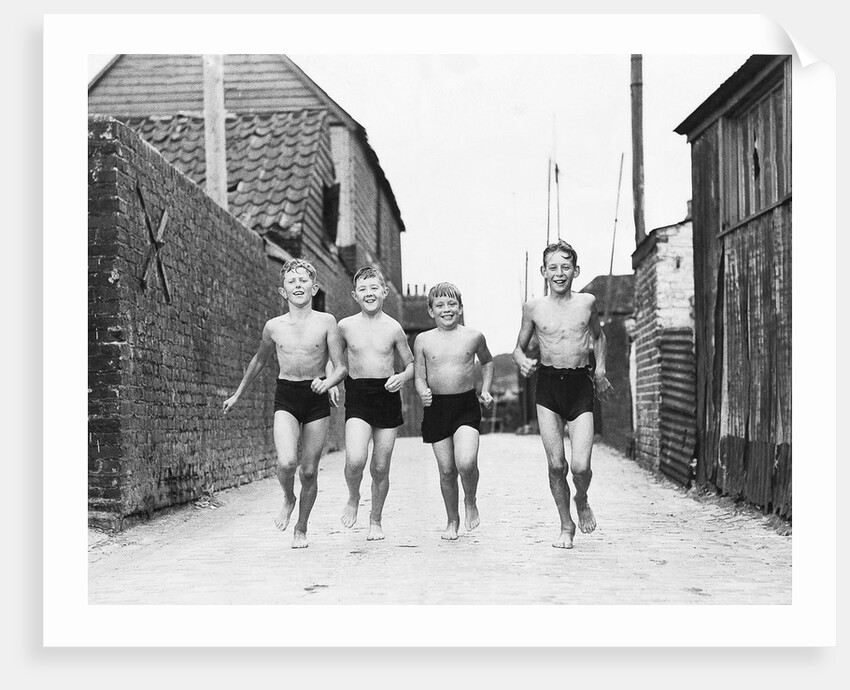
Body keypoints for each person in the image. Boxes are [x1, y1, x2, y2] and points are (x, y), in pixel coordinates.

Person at [223, 258, 347, 549]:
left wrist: (328, 384)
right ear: (283, 292)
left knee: (308, 470)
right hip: (287, 396)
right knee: (287, 462)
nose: (298, 285)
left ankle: (301, 528)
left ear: (314, 287)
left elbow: (341, 366)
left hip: (316, 397)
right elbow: (258, 361)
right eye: (292, 282)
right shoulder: (274, 327)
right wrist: (238, 394)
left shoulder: (327, 322)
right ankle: (288, 497)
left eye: (303, 280)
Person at [513, 240, 613, 549]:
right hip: (548, 386)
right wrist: (521, 361)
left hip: (580, 385)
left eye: (565, 267)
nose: (559, 273)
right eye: (553, 268)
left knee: (580, 467)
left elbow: (599, 337)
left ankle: (581, 499)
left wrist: (600, 371)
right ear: (544, 272)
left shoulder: (587, 303)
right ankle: (565, 524)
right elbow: (518, 347)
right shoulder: (533, 307)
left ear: (576, 270)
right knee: (557, 465)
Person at [338, 266, 415, 541]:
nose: (369, 293)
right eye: (363, 289)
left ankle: (375, 519)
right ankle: (353, 495)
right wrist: (331, 383)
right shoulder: (345, 326)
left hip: (386, 394)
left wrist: (403, 378)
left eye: (374, 288)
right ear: (354, 295)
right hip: (358, 394)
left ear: (383, 292)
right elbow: (333, 359)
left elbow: (410, 365)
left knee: (381, 466)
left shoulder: (393, 328)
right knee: (355, 459)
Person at [414, 282, 494, 540]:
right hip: (437, 408)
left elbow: (488, 361)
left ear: (460, 308)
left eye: (451, 304)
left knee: (466, 461)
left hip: (465, 406)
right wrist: (422, 390)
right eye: (440, 305)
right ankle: (452, 519)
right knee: (447, 470)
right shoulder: (423, 340)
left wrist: (486, 389)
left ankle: (470, 500)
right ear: (431, 311)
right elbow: (418, 376)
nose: (446, 309)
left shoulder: (473, 336)